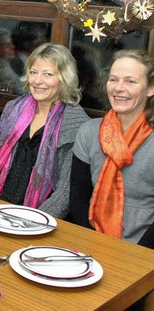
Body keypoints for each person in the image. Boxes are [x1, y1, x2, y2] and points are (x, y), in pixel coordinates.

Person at [0, 43, 89, 218]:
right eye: (33, 72)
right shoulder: (13, 109)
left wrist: (31, 222)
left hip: (43, 219)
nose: (37, 81)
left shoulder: (75, 124)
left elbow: (64, 193)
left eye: (48, 74)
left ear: (65, 78)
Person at [69, 50, 154, 249]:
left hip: (143, 253)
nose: (119, 88)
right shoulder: (89, 131)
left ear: (151, 88)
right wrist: (92, 245)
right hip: (90, 243)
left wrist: (133, 255)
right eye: (113, 79)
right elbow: (78, 198)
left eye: (130, 81)